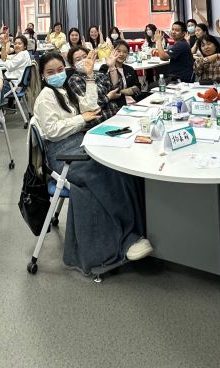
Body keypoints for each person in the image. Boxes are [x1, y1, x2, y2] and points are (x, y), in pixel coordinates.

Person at [32, 50, 152, 274]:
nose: (57, 74)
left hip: (79, 141)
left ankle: (137, 229)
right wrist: (81, 119)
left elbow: (89, 106)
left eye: (60, 70)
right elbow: (53, 131)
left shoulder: (64, 90)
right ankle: (127, 239)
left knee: (120, 164)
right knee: (106, 172)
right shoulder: (45, 97)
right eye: (50, 72)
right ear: (42, 75)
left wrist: (89, 77)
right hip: (62, 154)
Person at [67, 44, 114, 118]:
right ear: (73, 65)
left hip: (114, 114)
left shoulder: (98, 74)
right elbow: (91, 105)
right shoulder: (75, 80)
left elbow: (114, 89)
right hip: (99, 119)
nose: (84, 61)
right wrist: (108, 97)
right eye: (78, 59)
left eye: (85, 57)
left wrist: (112, 67)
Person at [103, 40, 145, 111]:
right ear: (112, 52)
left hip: (134, 102)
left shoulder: (129, 69)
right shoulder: (105, 68)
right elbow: (108, 91)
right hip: (116, 106)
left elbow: (137, 88)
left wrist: (121, 91)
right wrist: (128, 91)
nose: (121, 54)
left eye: (125, 52)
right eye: (118, 51)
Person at [193, 20, 220, 84]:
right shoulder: (200, 61)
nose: (206, 47)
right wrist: (216, 56)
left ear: (215, 45)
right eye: (203, 45)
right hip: (206, 88)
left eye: (208, 44)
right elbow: (197, 71)